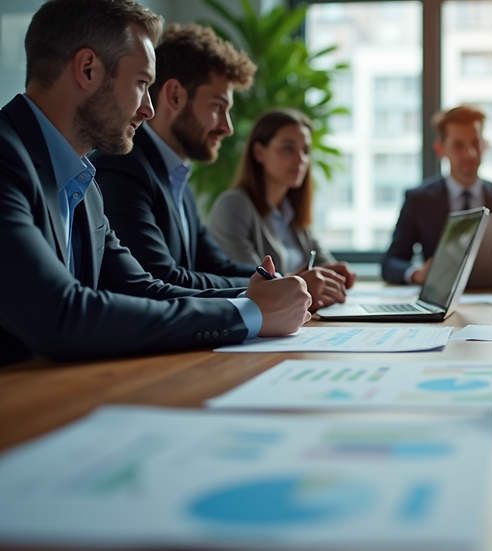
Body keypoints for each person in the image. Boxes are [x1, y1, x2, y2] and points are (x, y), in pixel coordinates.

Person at [0, 0, 311, 367]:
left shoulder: (84, 183)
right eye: (142, 83)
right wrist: (249, 314)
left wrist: (256, 299)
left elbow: (142, 289)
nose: (149, 108)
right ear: (87, 69)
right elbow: (61, 314)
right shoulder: (7, 159)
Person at [92, 24, 347, 308]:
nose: (227, 128)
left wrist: (286, 282)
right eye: (217, 107)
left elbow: (217, 265)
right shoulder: (124, 169)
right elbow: (161, 278)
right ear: (175, 96)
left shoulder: (174, 177)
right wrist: (275, 288)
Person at [209, 108, 357, 296]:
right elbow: (249, 283)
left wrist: (337, 273)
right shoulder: (233, 206)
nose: (300, 159)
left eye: (305, 151)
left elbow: (323, 263)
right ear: (259, 152)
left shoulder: (293, 213)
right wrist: (303, 283)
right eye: (288, 148)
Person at [380, 105, 492, 284]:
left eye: (475, 143)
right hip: (441, 297)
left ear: (485, 145)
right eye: (458, 145)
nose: (469, 153)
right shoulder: (419, 200)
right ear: (440, 149)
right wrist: (417, 274)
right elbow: (391, 262)